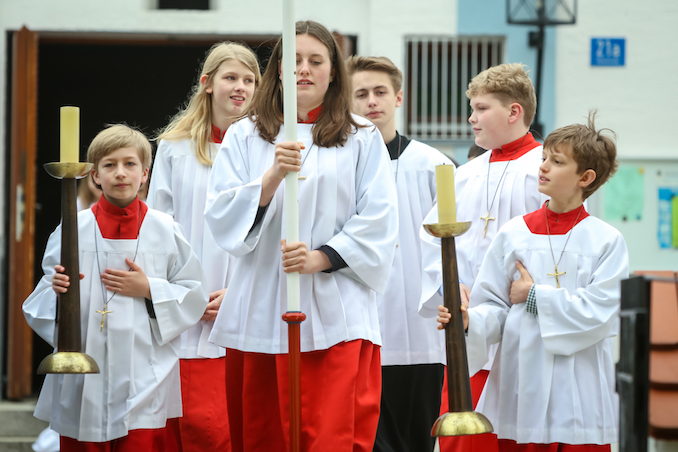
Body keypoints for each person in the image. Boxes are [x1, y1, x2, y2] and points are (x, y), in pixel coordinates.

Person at [204, 20, 398, 452]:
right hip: (262, 303)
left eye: (316, 60)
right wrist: (271, 177)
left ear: (333, 73)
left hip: (336, 308)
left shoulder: (361, 137)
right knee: (264, 432)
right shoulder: (245, 134)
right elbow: (219, 214)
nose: (304, 70)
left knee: (329, 433)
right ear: (276, 72)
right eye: (293, 61)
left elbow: (381, 217)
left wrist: (322, 257)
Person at [438, 112, 627, 451]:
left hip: (577, 382)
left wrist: (534, 296)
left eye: (556, 161)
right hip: (522, 376)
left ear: (585, 177)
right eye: (543, 158)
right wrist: (470, 321)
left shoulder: (606, 240)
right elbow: (492, 306)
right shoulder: (514, 232)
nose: (542, 167)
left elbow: (603, 312)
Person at [23, 124, 208, 451]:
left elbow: (193, 293)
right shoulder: (74, 228)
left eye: (130, 164)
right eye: (109, 165)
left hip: (145, 373)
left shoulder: (165, 229)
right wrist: (57, 290)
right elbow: (40, 300)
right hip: (85, 372)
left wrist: (150, 288)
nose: (120, 173)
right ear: (94, 176)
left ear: (145, 173)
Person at [419, 63, 548, 451]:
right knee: (468, 434)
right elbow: (432, 241)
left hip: (523, 319)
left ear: (514, 112)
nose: (471, 118)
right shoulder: (464, 173)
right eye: (471, 108)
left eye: (481, 108)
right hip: (470, 326)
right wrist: (449, 285)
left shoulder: (543, 169)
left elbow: (556, 243)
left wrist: (532, 291)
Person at [147, 41, 260, 452]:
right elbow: (158, 228)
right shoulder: (175, 148)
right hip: (188, 306)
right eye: (231, 78)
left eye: (250, 80)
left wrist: (240, 293)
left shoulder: (264, 149)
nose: (241, 88)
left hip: (245, 299)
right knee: (189, 426)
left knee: (231, 428)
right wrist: (185, 295)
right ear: (207, 83)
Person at [346, 55, 451, 452]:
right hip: (359, 327)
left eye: (380, 92)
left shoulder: (432, 165)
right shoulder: (341, 163)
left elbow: (450, 246)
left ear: (399, 97)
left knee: (417, 441)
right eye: (361, 93)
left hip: (418, 329)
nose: (371, 101)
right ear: (349, 101)